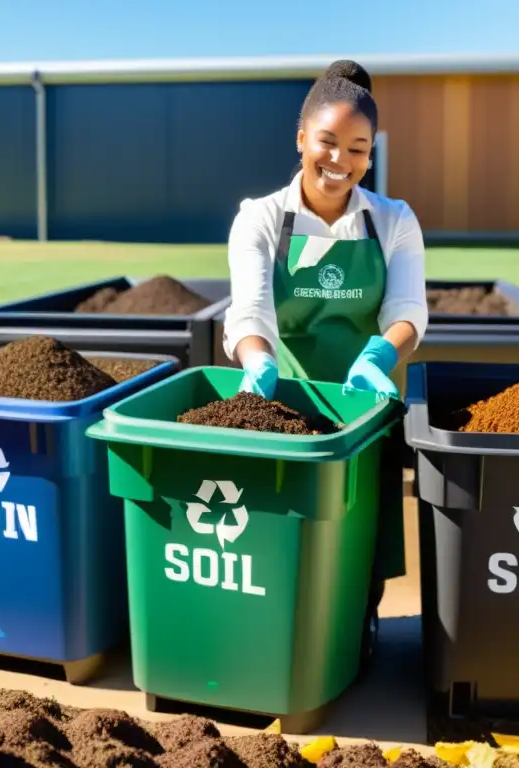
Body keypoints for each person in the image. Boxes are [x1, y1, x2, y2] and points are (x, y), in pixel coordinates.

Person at [222, 59, 427, 659]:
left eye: (358, 149)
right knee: (285, 543)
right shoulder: (259, 218)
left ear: (371, 155)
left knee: (359, 542)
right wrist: (258, 365)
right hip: (285, 413)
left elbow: (409, 308)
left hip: (365, 409)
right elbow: (249, 311)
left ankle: (356, 636)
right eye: (328, 142)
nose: (340, 160)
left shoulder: (393, 220)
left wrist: (378, 358)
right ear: (301, 139)